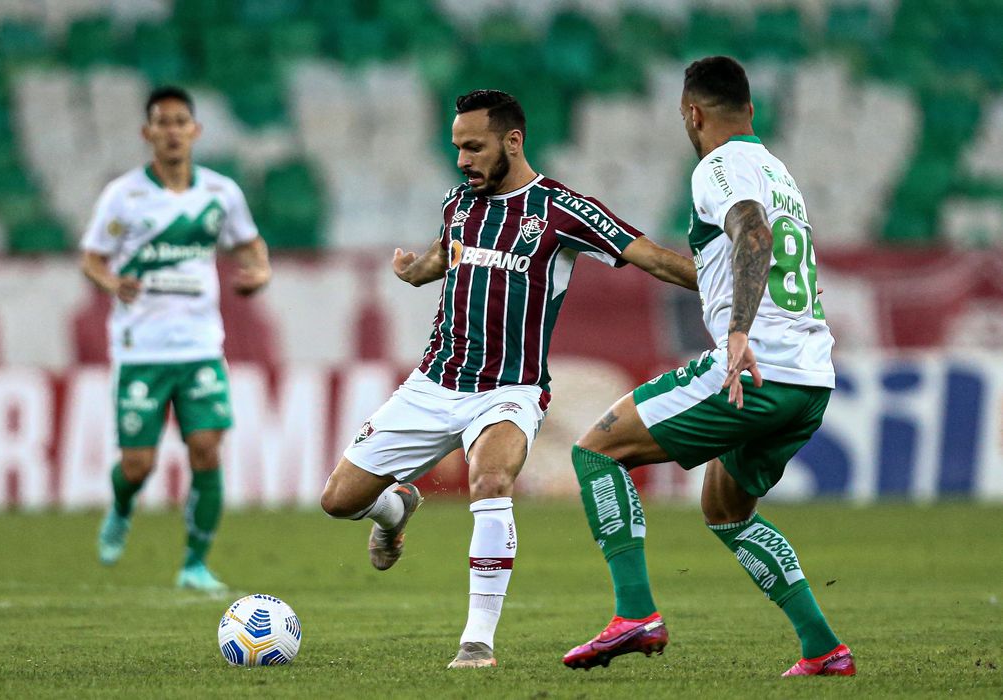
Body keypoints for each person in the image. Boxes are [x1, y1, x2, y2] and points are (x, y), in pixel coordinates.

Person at [319, 89, 698, 668]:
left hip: (510, 389)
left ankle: (477, 642)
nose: (462, 160)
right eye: (456, 148)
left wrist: (744, 289)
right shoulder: (459, 203)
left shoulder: (562, 210)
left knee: (490, 481)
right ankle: (395, 511)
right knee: (338, 501)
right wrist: (415, 271)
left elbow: (652, 257)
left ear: (512, 141)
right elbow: (442, 257)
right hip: (435, 381)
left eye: (473, 147)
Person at [561, 56, 854, 677]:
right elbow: (759, 254)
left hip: (756, 368)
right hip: (810, 378)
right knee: (727, 510)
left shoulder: (716, 167)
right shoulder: (780, 173)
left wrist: (741, 332)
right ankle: (823, 649)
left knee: (596, 451)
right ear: (750, 110)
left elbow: (752, 236)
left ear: (692, 114)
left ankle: (634, 613)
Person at [80, 85, 271, 592]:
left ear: (195, 131)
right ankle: (121, 506)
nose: (171, 131)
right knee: (138, 464)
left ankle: (194, 564)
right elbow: (92, 257)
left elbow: (250, 244)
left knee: (206, 448)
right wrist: (111, 283)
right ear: (147, 133)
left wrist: (259, 272)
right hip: (141, 349)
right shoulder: (124, 195)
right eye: (161, 123)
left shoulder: (221, 193)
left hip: (201, 347)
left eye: (180, 121)